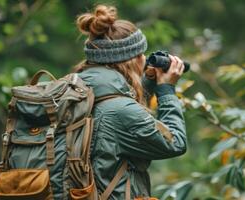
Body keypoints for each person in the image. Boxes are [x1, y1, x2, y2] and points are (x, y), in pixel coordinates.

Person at [75, 4, 187, 200]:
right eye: (141, 53)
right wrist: (166, 90)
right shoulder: (121, 111)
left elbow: (114, 108)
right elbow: (176, 143)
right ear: (131, 59)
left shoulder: (78, 90)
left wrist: (149, 84)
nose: (145, 59)